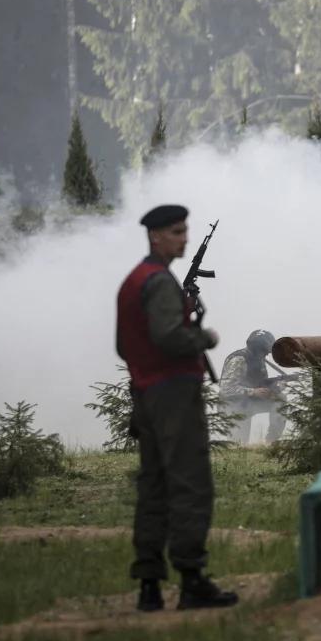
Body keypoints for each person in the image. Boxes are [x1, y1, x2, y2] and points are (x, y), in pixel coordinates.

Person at [116, 203, 238, 612]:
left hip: (146, 393)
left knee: (153, 489)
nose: (184, 238)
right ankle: (191, 580)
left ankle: (149, 585)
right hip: (172, 395)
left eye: (185, 230)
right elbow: (169, 336)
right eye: (176, 231)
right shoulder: (158, 283)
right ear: (155, 236)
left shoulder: (135, 281)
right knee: (189, 484)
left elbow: (124, 345)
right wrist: (204, 339)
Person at [219, 329, 287, 444]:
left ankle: (271, 442)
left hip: (250, 402)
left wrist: (276, 388)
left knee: (280, 399)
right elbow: (226, 389)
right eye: (265, 351)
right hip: (233, 405)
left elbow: (260, 383)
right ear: (258, 349)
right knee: (239, 445)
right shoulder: (239, 360)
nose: (267, 354)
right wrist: (253, 392)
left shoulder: (259, 359)